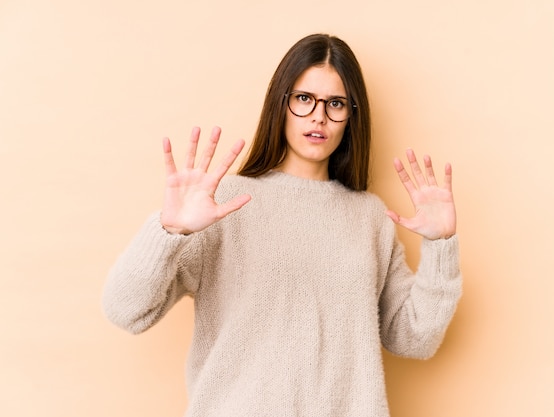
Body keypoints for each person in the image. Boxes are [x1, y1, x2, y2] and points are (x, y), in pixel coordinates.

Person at [102, 33, 462, 417]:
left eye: (336, 103)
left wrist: (442, 245)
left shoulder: (369, 218)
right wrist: (169, 231)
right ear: (281, 103)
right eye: (304, 99)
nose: (319, 116)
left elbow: (414, 338)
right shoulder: (224, 204)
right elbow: (126, 310)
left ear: (351, 115)